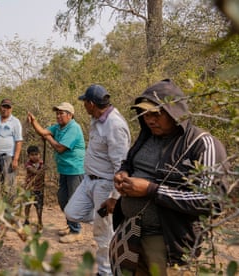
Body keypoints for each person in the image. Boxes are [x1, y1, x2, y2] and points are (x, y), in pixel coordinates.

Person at [111, 79, 228, 275]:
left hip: (170, 243)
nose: (150, 120)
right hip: (132, 233)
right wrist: (123, 173)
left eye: (156, 114)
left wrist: (151, 190)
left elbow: (212, 200)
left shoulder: (202, 144)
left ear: (176, 112)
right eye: (145, 114)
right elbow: (130, 163)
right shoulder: (147, 136)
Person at [63, 85, 131, 274]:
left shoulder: (114, 125)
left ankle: (105, 272)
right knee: (71, 212)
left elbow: (121, 165)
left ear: (91, 104)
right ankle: (111, 223)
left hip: (105, 184)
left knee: (103, 237)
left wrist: (115, 198)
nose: (83, 106)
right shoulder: (97, 119)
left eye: (85, 102)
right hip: (89, 180)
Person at [27, 102, 86, 242]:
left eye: (61, 113)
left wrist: (49, 138)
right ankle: (70, 224)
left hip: (75, 169)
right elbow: (42, 132)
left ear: (70, 115)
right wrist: (34, 121)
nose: (58, 116)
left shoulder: (73, 128)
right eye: (57, 113)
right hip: (64, 169)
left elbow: (60, 148)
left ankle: (76, 231)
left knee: (73, 200)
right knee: (62, 198)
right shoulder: (59, 127)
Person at [23, 145, 45, 231]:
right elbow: (35, 172)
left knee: (39, 206)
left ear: (39, 154)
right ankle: (26, 220)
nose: (34, 156)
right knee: (27, 205)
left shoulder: (42, 163)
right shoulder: (28, 164)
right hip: (29, 189)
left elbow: (41, 174)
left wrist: (43, 168)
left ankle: (40, 222)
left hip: (39, 189)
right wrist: (42, 170)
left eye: (36, 154)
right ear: (28, 156)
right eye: (32, 155)